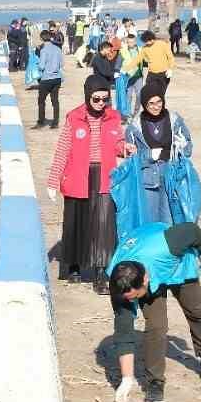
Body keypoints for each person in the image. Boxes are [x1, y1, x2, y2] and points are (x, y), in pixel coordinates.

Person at [106, 222, 201, 402]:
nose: (132, 301)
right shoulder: (119, 282)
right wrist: (127, 379)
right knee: (156, 327)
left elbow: (191, 229)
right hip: (148, 273)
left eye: (135, 297)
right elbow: (124, 331)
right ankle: (155, 381)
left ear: (145, 280)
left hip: (176, 264)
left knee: (196, 311)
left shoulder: (171, 243)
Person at [47, 75, 126, 289]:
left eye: (105, 99)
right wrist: (53, 180)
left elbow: (118, 143)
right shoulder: (74, 118)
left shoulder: (114, 117)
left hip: (104, 175)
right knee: (77, 222)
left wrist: (125, 148)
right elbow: (63, 149)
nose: (101, 104)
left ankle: (101, 272)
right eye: (96, 99)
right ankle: (74, 266)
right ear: (87, 96)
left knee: (104, 223)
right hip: (78, 176)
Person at [122, 80, 193, 226]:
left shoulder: (175, 120)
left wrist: (182, 146)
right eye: (151, 103)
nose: (156, 106)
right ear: (144, 104)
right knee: (150, 224)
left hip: (171, 179)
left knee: (169, 223)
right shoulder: (134, 127)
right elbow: (130, 161)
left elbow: (188, 149)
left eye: (159, 101)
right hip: (147, 182)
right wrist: (148, 156)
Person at [125, 29, 174, 97]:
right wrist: (125, 69)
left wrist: (170, 69)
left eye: (147, 41)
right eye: (145, 42)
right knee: (149, 94)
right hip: (152, 75)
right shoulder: (145, 48)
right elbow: (137, 60)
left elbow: (170, 57)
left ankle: (161, 107)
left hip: (164, 74)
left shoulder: (162, 44)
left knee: (160, 95)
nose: (146, 43)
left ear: (152, 39)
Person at [35, 29, 66, 128]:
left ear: (41, 38)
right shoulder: (58, 49)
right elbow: (62, 64)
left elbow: (41, 66)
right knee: (55, 100)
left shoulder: (43, 50)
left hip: (46, 78)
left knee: (41, 101)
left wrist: (38, 64)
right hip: (57, 78)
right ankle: (55, 122)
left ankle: (41, 121)